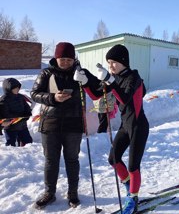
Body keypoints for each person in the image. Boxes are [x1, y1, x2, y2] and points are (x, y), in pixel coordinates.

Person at [74, 44, 149, 214]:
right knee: (113, 159)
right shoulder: (113, 77)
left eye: (114, 62)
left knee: (132, 165)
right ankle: (130, 187)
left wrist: (109, 79)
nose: (111, 66)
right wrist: (85, 81)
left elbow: (123, 98)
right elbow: (96, 95)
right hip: (125, 126)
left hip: (139, 126)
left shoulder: (133, 77)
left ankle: (133, 199)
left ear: (124, 61)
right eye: (108, 63)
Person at [31, 42, 84, 209]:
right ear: (56, 58)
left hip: (73, 124)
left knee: (72, 160)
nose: (66, 62)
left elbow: (97, 88)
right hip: (50, 124)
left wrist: (88, 81)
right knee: (51, 161)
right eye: (63, 59)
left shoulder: (80, 73)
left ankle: (73, 192)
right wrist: (53, 98)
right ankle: (49, 192)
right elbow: (34, 94)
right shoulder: (46, 73)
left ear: (73, 59)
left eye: (69, 59)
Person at [0, 78, 33, 146]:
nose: (17, 89)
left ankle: (26, 155)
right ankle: (12, 156)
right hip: (11, 127)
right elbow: (5, 113)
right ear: (9, 88)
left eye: (18, 87)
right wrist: (16, 117)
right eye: (15, 88)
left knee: (28, 142)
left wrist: (27, 114)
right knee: (11, 144)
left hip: (22, 126)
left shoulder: (20, 97)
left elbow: (26, 107)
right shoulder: (4, 100)